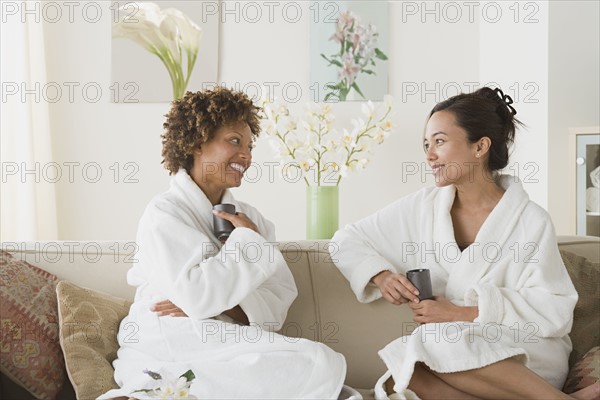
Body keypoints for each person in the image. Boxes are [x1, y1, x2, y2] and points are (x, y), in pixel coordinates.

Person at [331, 87, 600, 400]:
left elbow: (553, 310)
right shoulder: (422, 208)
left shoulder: (529, 220)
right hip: (454, 354)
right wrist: (381, 275)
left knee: (436, 339)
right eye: (426, 145)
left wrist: (461, 314)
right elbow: (345, 240)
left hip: (522, 352)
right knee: (402, 378)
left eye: (440, 142)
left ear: (480, 146)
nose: (429, 155)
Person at [100, 87, 349, 399]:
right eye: (234, 141)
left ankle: (166, 390)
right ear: (196, 142)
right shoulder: (164, 212)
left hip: (226, 337)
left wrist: (221, 303)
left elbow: (275, 307)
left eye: (249, 145)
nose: (246, 155)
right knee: (317, 365)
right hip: (170, 334)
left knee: (320, 361)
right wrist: (242, 251)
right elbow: (198, 297)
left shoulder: (253, 221)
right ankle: (160, 386)